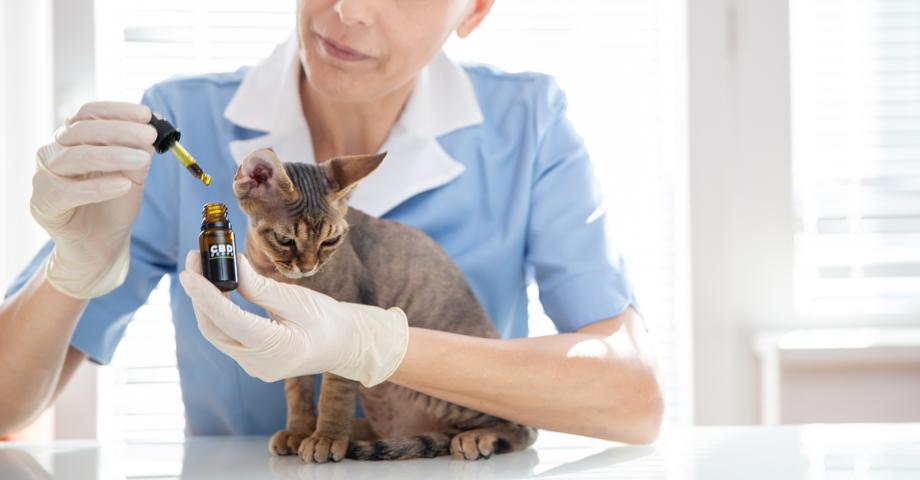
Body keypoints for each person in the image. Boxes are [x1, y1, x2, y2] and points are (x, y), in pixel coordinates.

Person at [0, 0, 662, 444]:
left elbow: (631, 396)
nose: (347, 11)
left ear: (477, 9)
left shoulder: (529, 125)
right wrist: (72, 269)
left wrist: (378, 344)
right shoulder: (186, 122)